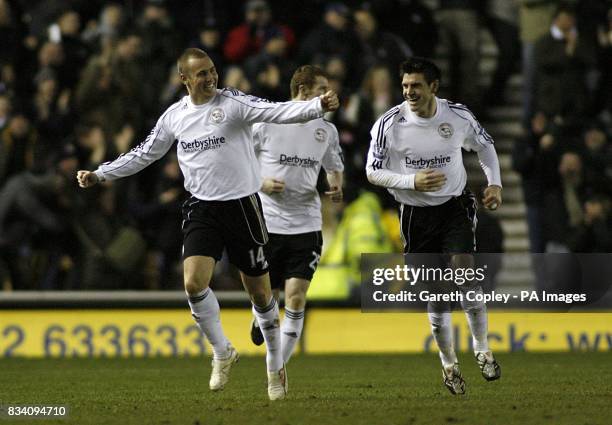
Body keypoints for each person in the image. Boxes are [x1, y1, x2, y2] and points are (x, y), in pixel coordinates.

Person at [76, 48, 339, 401]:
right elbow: (143, 154)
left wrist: (316, 107)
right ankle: (222, 351)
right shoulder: (175, 117)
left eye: (212, 71)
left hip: (243, 207)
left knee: (261, 295)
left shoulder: (233, 103)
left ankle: (275, 368)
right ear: (184, 79)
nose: (210, 78)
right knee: (193, 283)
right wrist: (100, 173)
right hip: (202, 208)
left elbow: (276, 111)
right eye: (201, 74)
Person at [365, 57, 503, 395]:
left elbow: (485, 147)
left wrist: (495, 183)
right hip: (414, 215)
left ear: (434, 88)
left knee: (464, 271)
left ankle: (483, 349)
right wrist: (412, 181)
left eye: (416, 85)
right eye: (405, 86)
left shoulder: (457, 116)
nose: (409, 92)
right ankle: (449, 365)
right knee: (436, 296)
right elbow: (371, 171)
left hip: (454, 206)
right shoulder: (389, 123)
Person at [248, 65, 344, 363]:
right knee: (266, 296)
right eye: (321, 89)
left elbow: (334, 165)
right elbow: (238, 163)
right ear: (303, 92)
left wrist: (336, 184)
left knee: (297, 297)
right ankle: (261, 314)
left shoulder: (325, 130)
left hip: (306, 222)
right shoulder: (268, 121)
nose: (327, 95)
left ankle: (277, 368)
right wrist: (261, 182)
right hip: (267, 223)